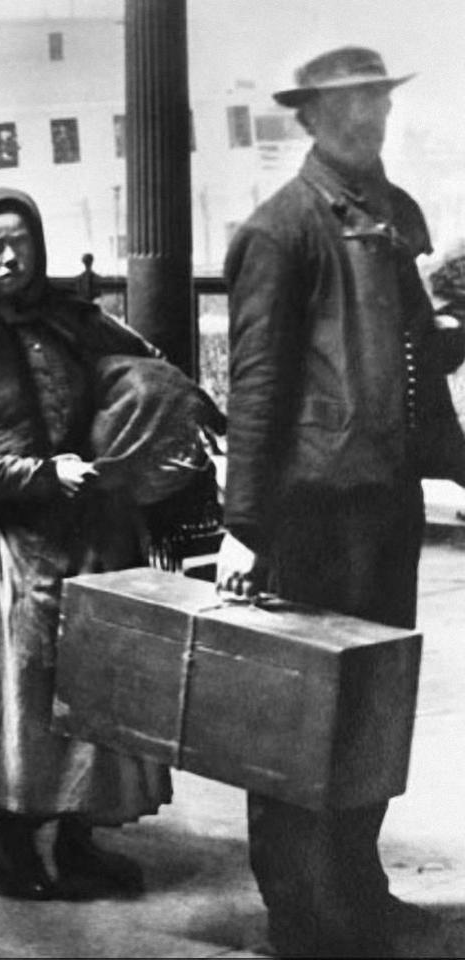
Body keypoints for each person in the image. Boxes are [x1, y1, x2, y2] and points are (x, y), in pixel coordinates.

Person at [218, 46, 456, 958]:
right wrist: (245, 529)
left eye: (375, 104)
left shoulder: (389, 219)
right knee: (297, 718)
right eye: (346, 107)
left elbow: (413, 360)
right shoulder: (282, 231)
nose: (367, 120)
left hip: (384, 505)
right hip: (309, 514)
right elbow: (256, 388)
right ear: (309, 121)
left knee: (372, 710)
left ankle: (356, 882)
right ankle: (302, 911)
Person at [0, 187, 170, 901]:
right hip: (6, 546)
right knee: (20, 699)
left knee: (95, 688)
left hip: (87, 531)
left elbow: (139, 372)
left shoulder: (73, 321)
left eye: (20, 240)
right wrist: (36, 474)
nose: (8, 255)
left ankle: (82, 841)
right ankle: (19, 846)